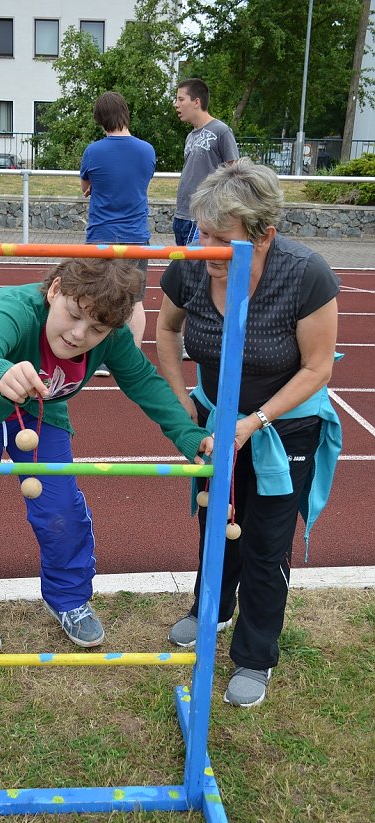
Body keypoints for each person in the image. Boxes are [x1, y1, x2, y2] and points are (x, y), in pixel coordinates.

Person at [0, 258, 213, 655]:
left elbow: (142, 380)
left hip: (39, 403)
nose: (79, 335)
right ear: (55, 290)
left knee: (60, 506)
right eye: (74, 316)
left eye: (96, 329)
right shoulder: (9, 309)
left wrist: (188, 434)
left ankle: (70, 598)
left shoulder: (107, 335)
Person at [156, 158, 342, 708]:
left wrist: (253, 422)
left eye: (220, 236)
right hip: (219, 417)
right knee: (218, 518)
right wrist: (179, 401)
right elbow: (166, 330)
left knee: (266, 541)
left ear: (265, 235)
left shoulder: (305, 273)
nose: (206, 245)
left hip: (286, 425)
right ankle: (210, 609)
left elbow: (317, 368)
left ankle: (255, 655)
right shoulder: (192, 265)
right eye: (200, 231)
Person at [80, 91, 156, 375]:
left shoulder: (93, 151)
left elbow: (85, 187)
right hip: (136, 235)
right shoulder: (147, 150)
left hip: (102, 235)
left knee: (100, 297)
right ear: (125, 113)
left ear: (100, 119)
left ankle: (100, 358)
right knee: (135, 301)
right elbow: (141, 181)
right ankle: (131, 358)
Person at [173, 78, 239, 360]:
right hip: (182, 215)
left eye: (180, 99)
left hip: (203, 219)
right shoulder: (190, 136)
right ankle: (187, 333)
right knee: (186, 275)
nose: (176, 105)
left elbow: (235, 173)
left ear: (196, 101)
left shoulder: (221, 131)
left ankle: (195, 337)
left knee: (198, 276)